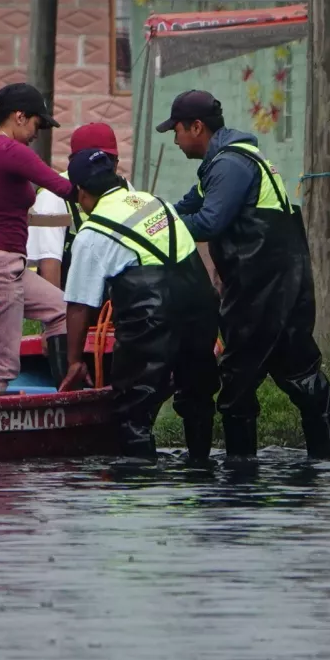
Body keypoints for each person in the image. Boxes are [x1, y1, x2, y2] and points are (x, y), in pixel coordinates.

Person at [164, 89, 330, 461]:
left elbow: (209, 222)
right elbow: (184, 207)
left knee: (237, 381)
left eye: (176, 130)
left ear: (197, 127)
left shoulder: (229, 165)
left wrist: (162, 232)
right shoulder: (230, 163)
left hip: (261, 288)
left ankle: (240, 478)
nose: (175, 139)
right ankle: (325, 464)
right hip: (286, 284)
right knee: (298, 370)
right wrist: (152, 214)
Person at [57, 149, 220, 461]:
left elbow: (79, 305)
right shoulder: (154, 202)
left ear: (81, 193)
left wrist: (75, 360)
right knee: (197, 395)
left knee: (134, 410)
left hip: (151, 316)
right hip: (201, 305)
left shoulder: (93, 233)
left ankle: (137, 493)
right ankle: (202, 474)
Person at [0, 82, 77, 396]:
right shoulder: (9, 150)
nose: (39, 133)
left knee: (61, 309)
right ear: (19, 116)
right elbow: (64, 187)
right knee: (0, 365)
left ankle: (66, 395)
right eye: (38, 124)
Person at [27, 122, 122, 289]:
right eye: (92, 161)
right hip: (68, 300)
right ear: (73, 163)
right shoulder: (52, 198)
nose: (101, 169)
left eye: (107, 161)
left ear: (116, 162)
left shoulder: (125, 189)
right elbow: (48, 268)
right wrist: (60, 314)